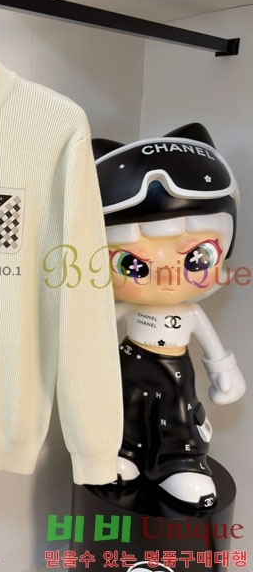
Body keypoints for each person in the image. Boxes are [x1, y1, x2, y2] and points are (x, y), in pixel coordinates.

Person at [92, 123, 246, 509]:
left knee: (178, 416)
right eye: (133, 264)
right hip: (129, 365)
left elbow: (212, 348)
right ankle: (123, 451)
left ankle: (180, 462)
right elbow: (94, 333)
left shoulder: (190, 312)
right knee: (122, 411)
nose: (166, 275)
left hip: (174, 372)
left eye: (196, 257)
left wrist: (225, 373)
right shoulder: (127, 307)